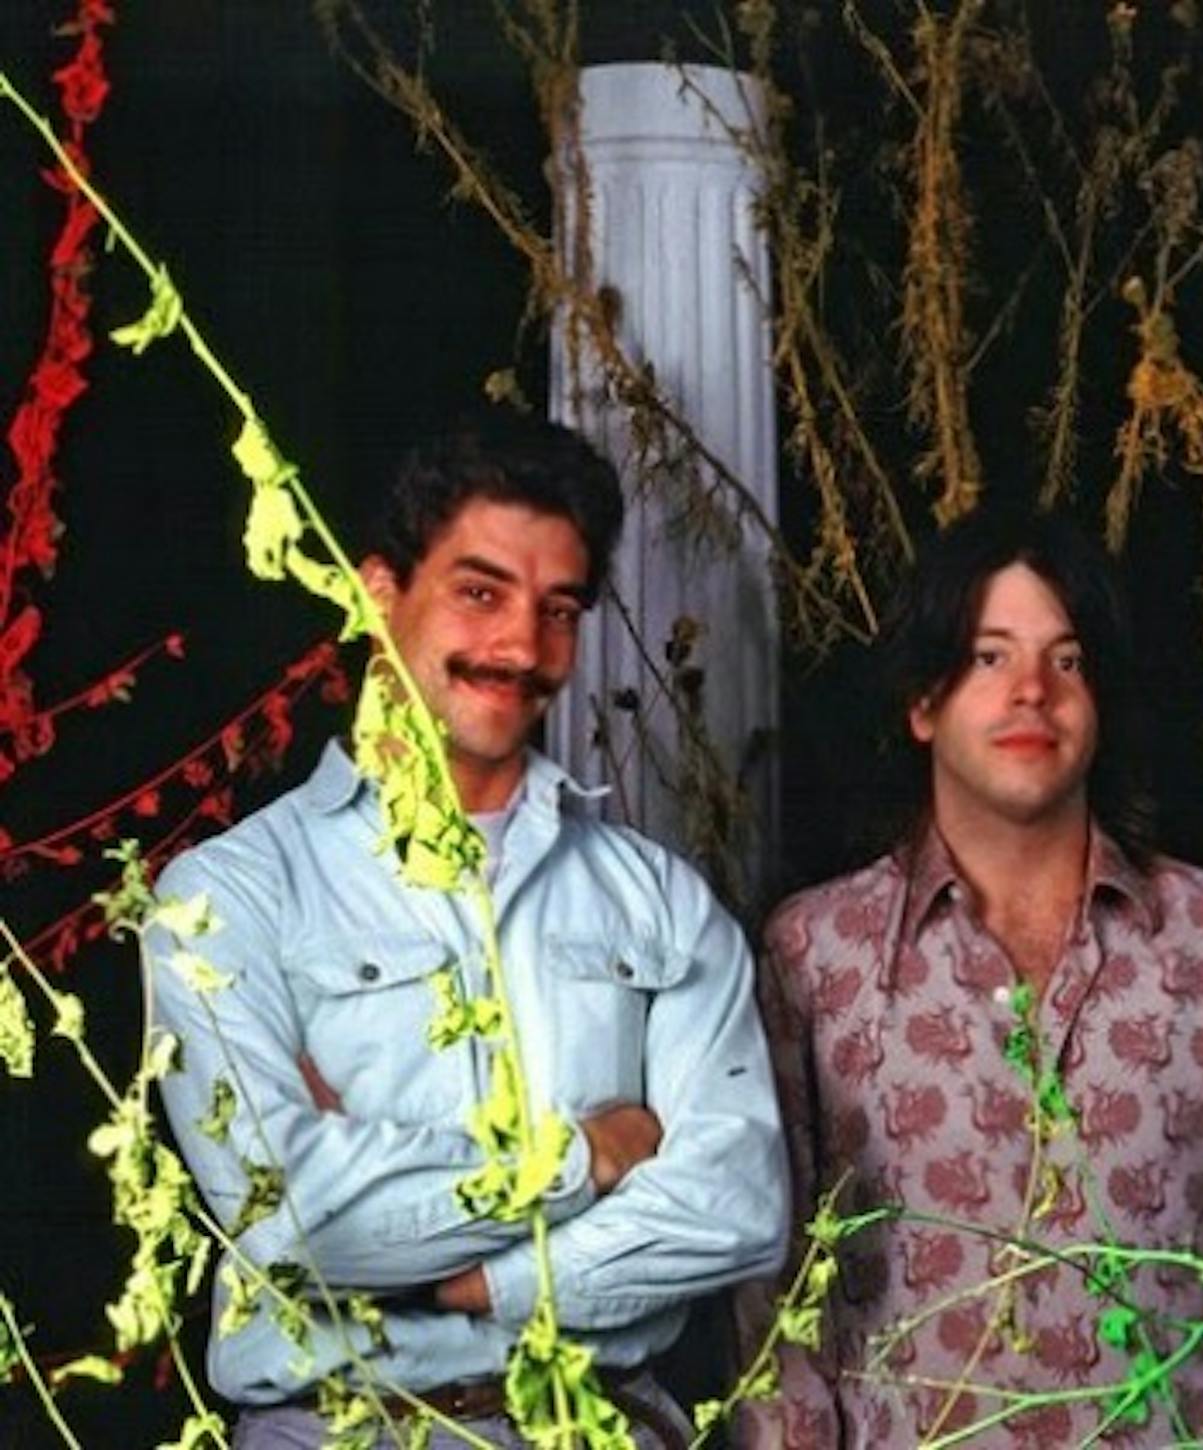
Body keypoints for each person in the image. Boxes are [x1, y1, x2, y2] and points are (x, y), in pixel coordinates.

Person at [143, 412, 787, 1448]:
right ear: (378, 589)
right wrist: (590, 1157)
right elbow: (290, 1215)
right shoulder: (229, 896)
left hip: (608, 1427)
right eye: (480, 592)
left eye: (560, 609)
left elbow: (738, 1204)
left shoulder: (658, 901)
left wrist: (471, 1279)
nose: (523, 648)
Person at [736, 510, 1203, 1448]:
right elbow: (778, 1306)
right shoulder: (815, 958)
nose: (1032, 691)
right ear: (923, 704)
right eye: (989, 658)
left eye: (1067, 662)